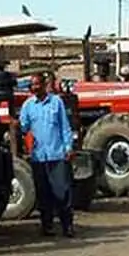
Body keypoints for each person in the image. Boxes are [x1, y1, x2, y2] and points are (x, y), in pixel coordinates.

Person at [18, 72, 76, 237]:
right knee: (43, 193)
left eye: (37, 84)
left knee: (62, 192)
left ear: (44, 85)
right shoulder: (28, 106)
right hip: (39, 157)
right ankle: (47, 226)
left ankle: (67, 225)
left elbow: (65, 127)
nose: (35, 87)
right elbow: (23, 127)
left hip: (56, 155)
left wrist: (68, 147)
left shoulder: (56, 102)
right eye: (33, 85)